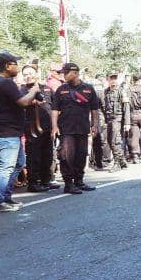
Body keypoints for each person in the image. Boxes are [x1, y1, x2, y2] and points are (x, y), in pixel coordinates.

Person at [0, 52, 43, 211]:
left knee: (19, 163)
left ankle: (6, 197)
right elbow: (24, 102)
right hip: (7, 131)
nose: (17, 68)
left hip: (9, 131)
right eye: (15, 64)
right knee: (6, 167)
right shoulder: (6, 83)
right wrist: (34, 90)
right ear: (7, 66)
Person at [51, 62, 100, 194]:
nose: (64, 75)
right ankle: (68, 184)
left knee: (81, 155)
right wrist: (54, 126)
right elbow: (55, 109)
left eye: (66, 73)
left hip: (83, 128)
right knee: (66, 156)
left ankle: (79, 181)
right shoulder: (61, 90)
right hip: (66, 129)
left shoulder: (88, 88)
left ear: (75, 73)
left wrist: (95, 125)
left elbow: (94, 109)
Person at [20, 65, 57, 192]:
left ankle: (46, 180)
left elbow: (55, 107)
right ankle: (33, 183)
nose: (28, 76)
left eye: (30, 73)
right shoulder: (21, 90)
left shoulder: (46, 88)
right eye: (25, 74)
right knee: (33, 156)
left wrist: (55, 126)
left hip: (47, 128)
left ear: (36, 74)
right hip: (32, 129)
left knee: (48, 155)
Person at [101, 72, 129, 171]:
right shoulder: (106, 92)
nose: (113, 80)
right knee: (109, 141)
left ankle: (117, 163)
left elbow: (126, 108)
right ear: (107, 79)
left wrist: (127, 123)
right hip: (109, 119)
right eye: (111, 78)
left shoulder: (121, 91)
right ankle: (122, 160)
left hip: (118, 119)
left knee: (114, 141)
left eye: (115, 78)